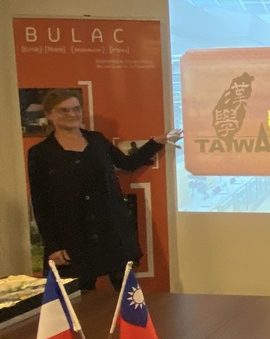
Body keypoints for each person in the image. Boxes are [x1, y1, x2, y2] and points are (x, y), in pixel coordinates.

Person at [27, 89, 183, 291]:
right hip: (73, 236)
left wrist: (155, 142)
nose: (72, 115)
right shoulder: (40, 154)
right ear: (49, 115)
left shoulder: (96, 140)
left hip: (111, 230)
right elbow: (41, 203)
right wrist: (54, 245)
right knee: (80, 300)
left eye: (76, 109)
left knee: (128, 296)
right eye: (63, 111)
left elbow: (127, 164)